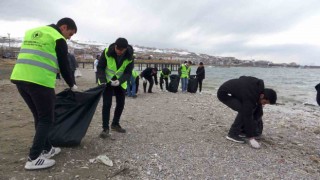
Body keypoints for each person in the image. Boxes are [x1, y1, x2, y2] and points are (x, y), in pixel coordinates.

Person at [10, 17, 78, 170]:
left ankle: (47, 148)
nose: (69, 37)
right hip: (39, 82)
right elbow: (64, 64)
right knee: (47, 118)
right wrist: (72, 84)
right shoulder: (58, 38)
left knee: (39, 116)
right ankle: (34, 158)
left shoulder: (32, 32)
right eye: (70, 34)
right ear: (64, 27)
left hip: (20, 78)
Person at [217, 76, 277, 149]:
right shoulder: (251, 95)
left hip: (239, 92)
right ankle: (232, 134)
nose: (264, 104)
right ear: (262, 96)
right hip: (224, 94)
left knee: (258, 109)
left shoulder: (258, 88)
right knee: (244, 111)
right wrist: (251, 138)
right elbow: (247, 115)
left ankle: (244, 131)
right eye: (264, 102)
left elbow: (242, 77)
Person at [97, 37, 134, 138]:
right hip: (107, 82)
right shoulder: (106, 52)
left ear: (126, 49)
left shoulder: (130, 57)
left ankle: (115, 124)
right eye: (118, 49)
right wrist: (103, 81)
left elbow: (128, 72)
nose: (119, 52)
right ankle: (105, 128)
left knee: (121, 103)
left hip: (120, 82)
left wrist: (120, 81)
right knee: (107, 104)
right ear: (115, 46)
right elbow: (100, 67)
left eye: (121, 50)